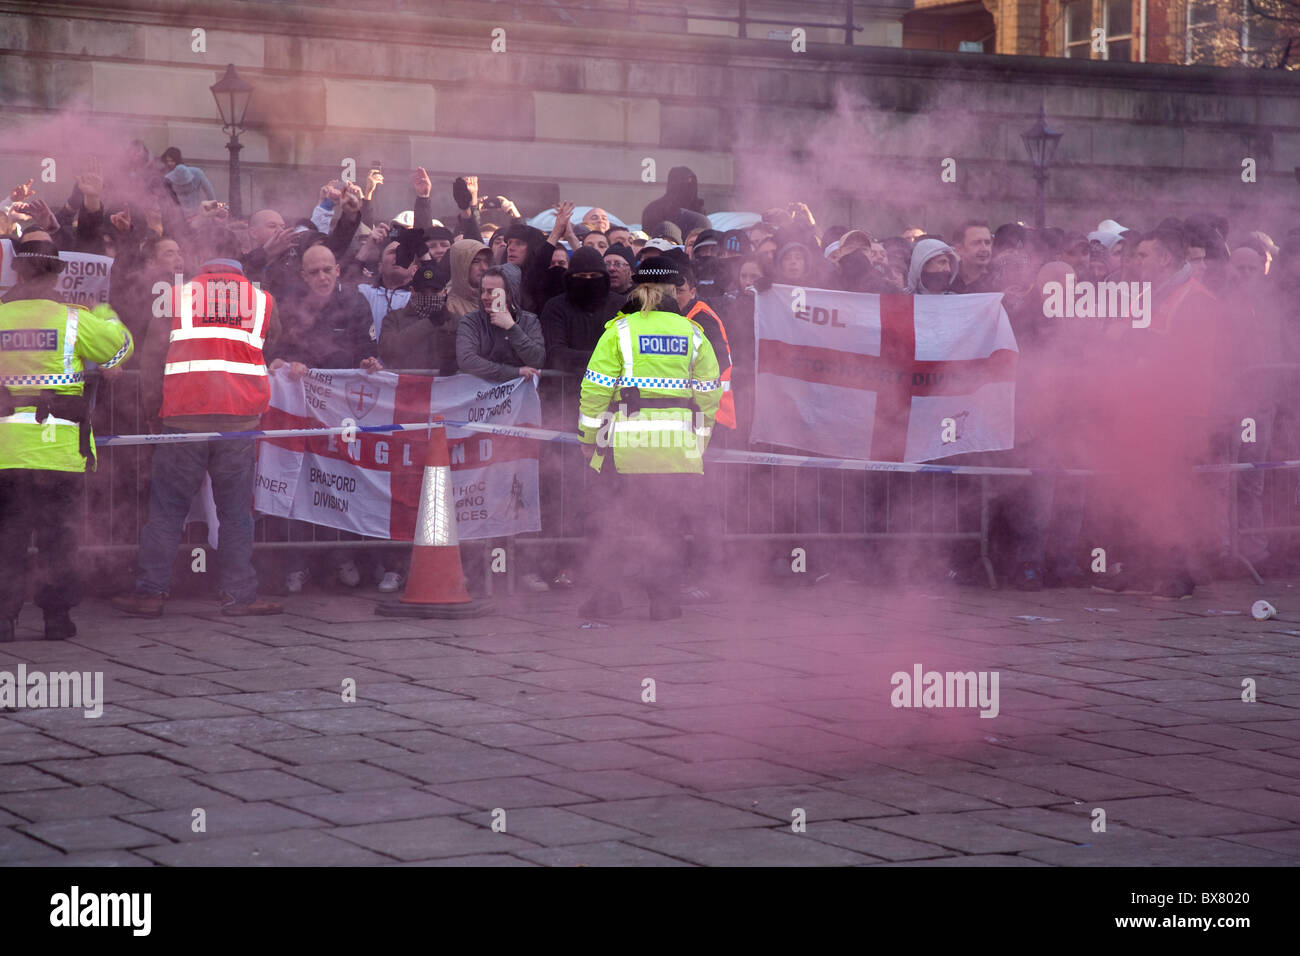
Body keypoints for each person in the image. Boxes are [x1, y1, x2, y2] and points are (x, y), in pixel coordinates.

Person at [112, 232, 282, 617]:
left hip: (183, 417)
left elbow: (153, 359)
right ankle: (239, 595)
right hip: (239, 420)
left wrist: (154, 412)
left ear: (200, 257)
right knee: (235, 511)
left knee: (168, 510)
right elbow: (274, 338)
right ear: (240, 257)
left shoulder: (176, 295)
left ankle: (151, 593)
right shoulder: (261, 299)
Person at [0, 234, 135, 641]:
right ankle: (57, 620)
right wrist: (106, 311)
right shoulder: (74, 318)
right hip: (59, 452)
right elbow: (119, 350)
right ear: (58, 276)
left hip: (6, 451)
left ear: (17, 272)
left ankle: (3, 622)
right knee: (59, 541)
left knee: (7, 540)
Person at [576, 255, 721, 621]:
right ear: (674, 290)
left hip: (626, 448)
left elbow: (594, 390)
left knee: (612, 523)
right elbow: (709, 394)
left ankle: (607, 597)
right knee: (668, 527)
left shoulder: (620, 331)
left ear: (639, 289)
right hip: (677, 450)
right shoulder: (692, 333)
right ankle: (664, 602)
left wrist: (587, 437)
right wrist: (699, 440)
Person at [455, 264, 545, 383]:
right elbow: (466, 360)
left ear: (509, 294)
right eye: (482, 291)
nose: (484, 297)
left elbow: (537, 360)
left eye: (491, 292)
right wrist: (514, 372)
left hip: (519, 398)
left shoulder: (529, 321)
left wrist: (511, 327)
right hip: (479, 396)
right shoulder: (471, 321)